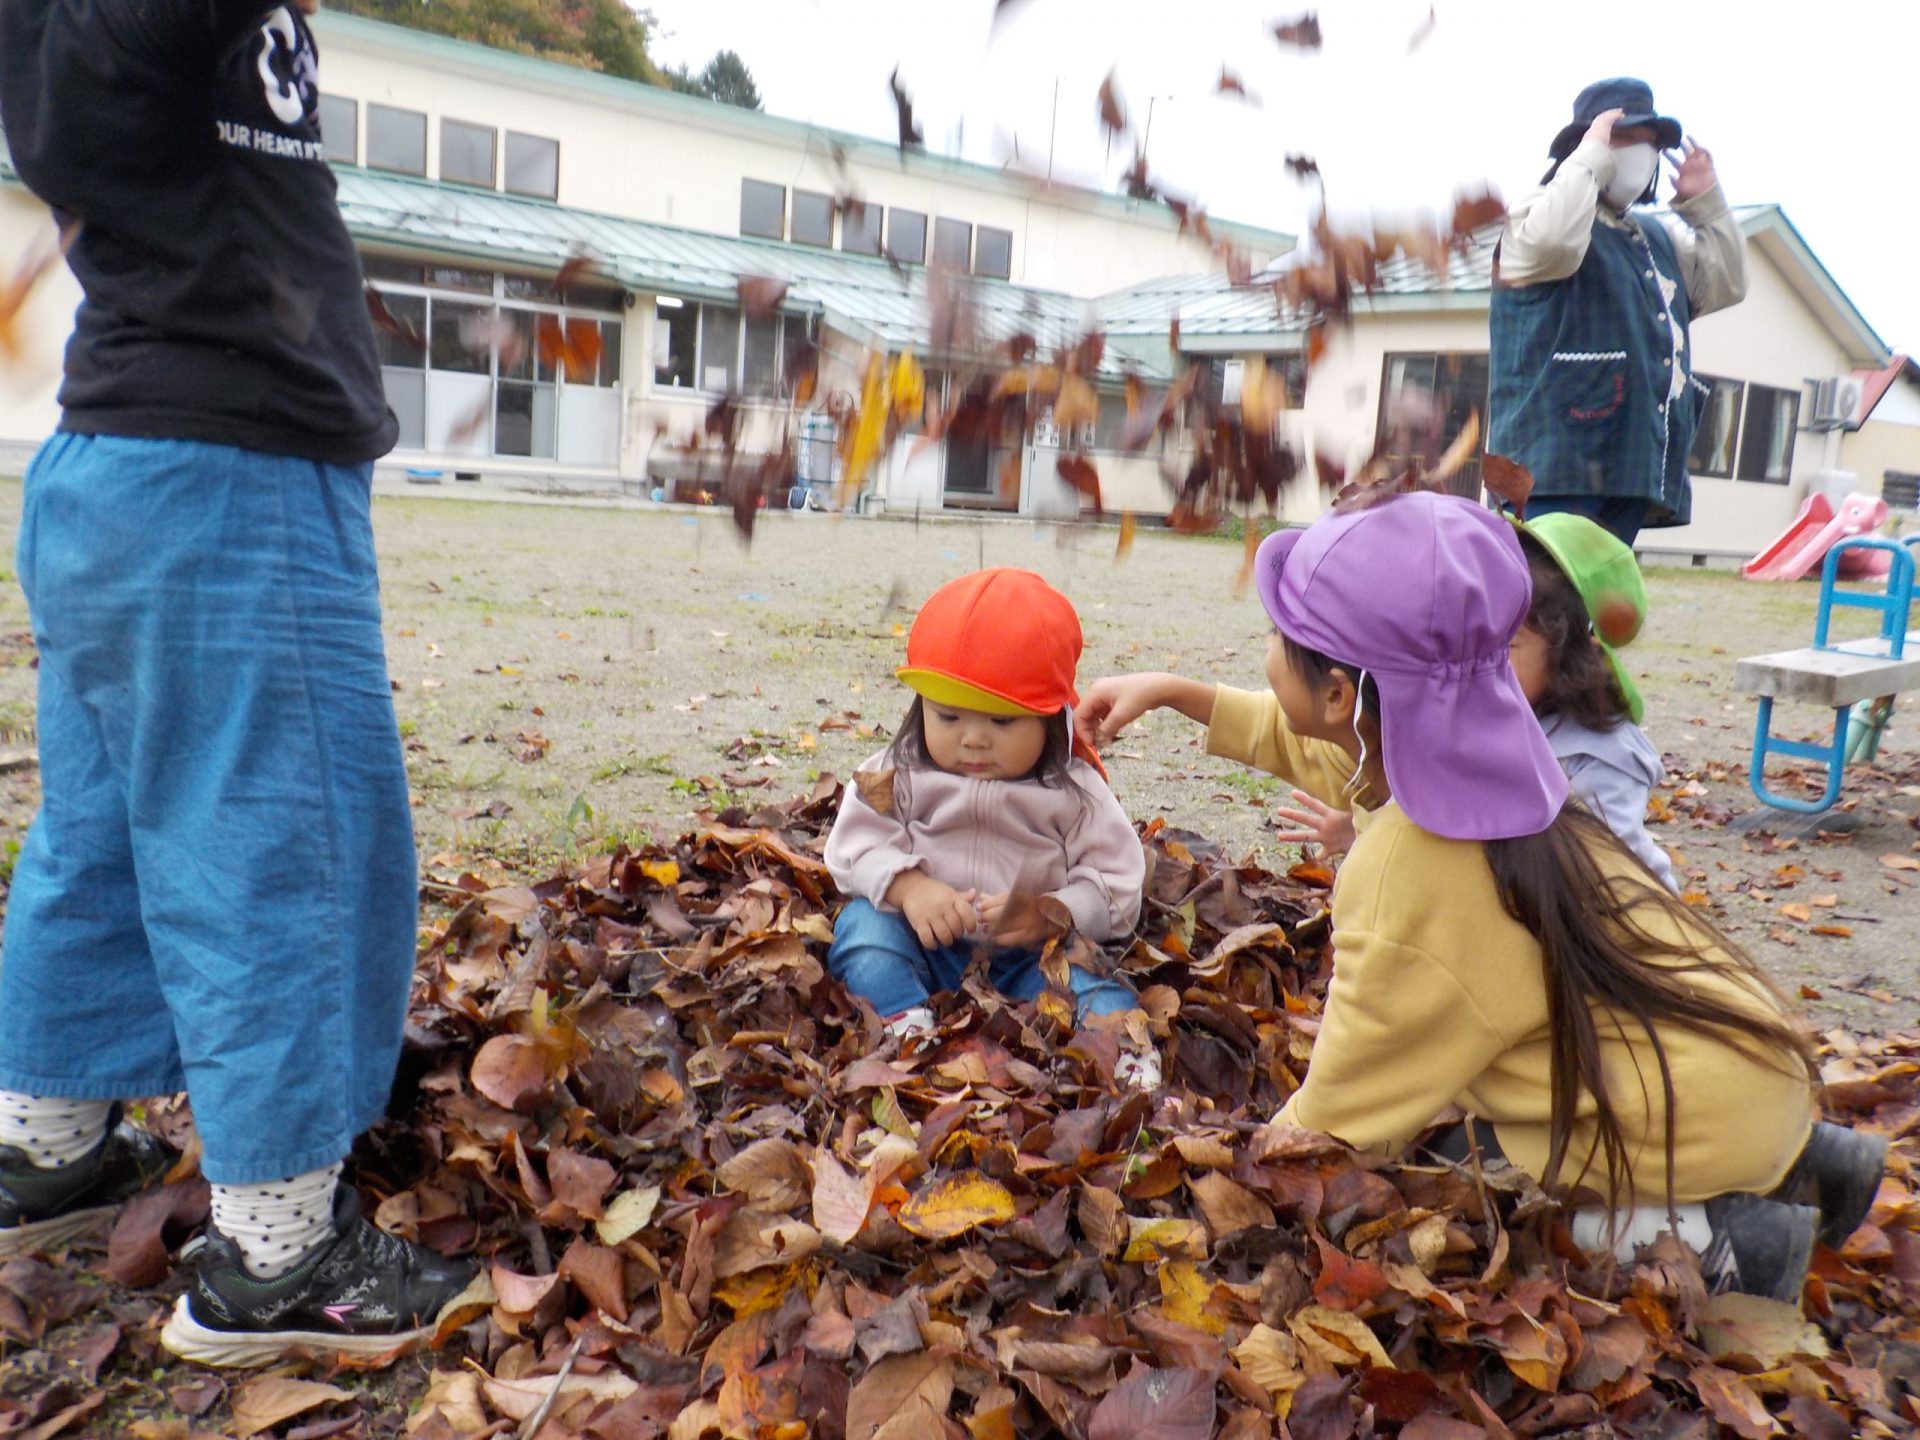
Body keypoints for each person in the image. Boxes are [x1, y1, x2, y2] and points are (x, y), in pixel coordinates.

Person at [0, 0, 473, 1365]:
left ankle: (44, 1148)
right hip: (231, 477)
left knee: (97, 837)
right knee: (283, 852)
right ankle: (279, 1255)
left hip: (115, 465)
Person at [1084, 493, 1882, 1299]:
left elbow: (1345, 1120)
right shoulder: (1492, 755)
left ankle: (1728, 1240)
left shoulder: (1410, 872)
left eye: (1276, 635)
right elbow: (1329, 748)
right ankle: (1806, 1164)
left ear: (1337, 695)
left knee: (1463, 1178)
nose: (1266, 648)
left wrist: (1212, 1181)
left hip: (1691, 1121)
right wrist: (1173, 691)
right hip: (1744, 1067)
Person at [825, 568, 1159, 1090]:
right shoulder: (899, 769)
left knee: (1089, 984)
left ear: (1051, 718)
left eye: (1002, 721)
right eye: (948, 717)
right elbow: (853, 844)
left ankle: (1125, 1052)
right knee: (863, 932)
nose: (974, 739)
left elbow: (1118, 885)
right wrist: (909, 887)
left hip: (1030, 960)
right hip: (922, 941)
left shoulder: (1075, 791)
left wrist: (1053, 912)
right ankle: (903, 1024)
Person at [1250, 513, 1681, 891]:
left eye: (1504, 645)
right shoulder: (1481, 711)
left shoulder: (1602, 759)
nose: (1479, 658)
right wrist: (1366, 829)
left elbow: (1607, 882)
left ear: (1572, 655)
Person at [1489, 78, 1749, 547]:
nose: (1640, 153)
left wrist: (1706, 206)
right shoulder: (1538, 211)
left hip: (1632, 463)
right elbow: (1553, 243)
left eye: (1651, 142)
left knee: (1601, 592)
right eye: (1623, 137)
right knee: (1537, 589)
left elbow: (1725, 283)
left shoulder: (1655, 237)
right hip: (1549, 466)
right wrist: (1589, 155)